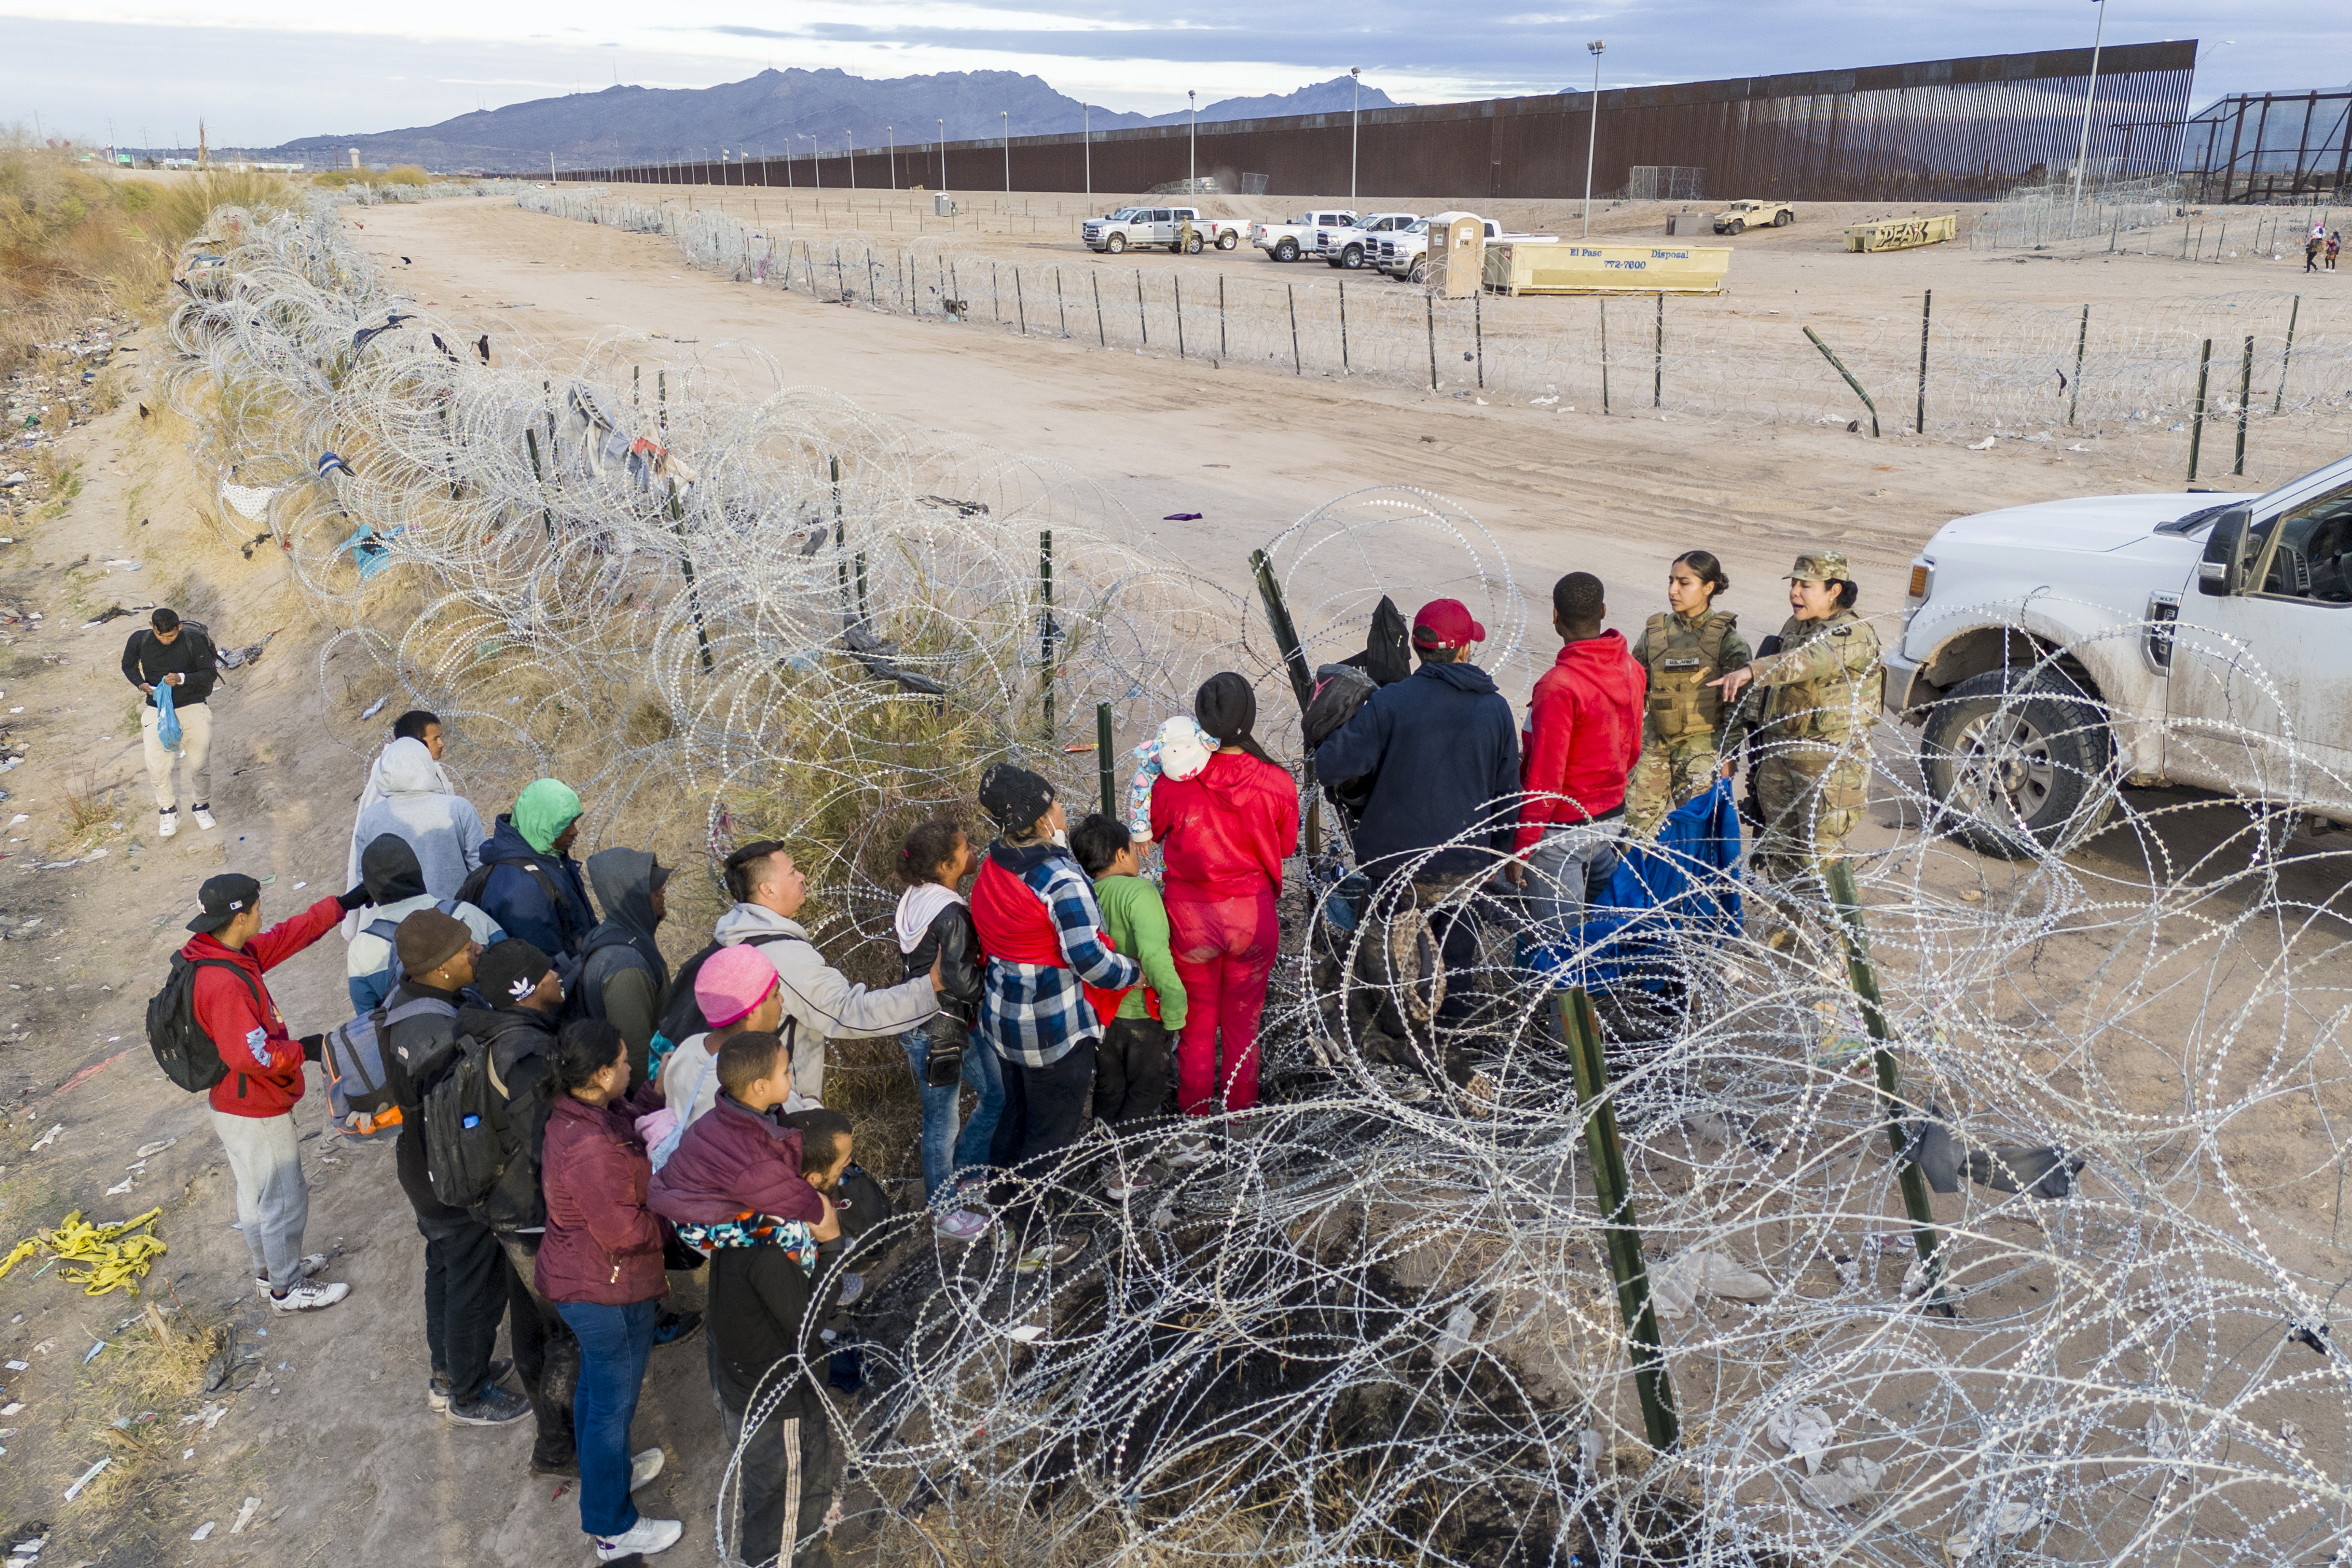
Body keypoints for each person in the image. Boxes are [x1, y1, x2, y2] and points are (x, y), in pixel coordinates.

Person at [968, 763, 1140, 1272]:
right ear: (1042, 819)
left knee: (1015, 1118)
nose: (1062, 810)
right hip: (1052, 1028)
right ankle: (1031, 1241)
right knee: (1050, 1136)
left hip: (1003, 1019)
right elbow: (1089, 960)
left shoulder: (995, 865)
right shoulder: (1059, 879)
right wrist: (1132, 972)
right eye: (1054, 803)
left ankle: (1002, 1218)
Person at [379, 912, 533, 1426]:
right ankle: (468, 1395)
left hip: (419, 1169)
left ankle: (448, 1373)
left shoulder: (403, 1002)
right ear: (443, 967)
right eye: (469, 948)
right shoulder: (441, 1036)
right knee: (476, 1287)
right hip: (449, 1179)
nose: (478, 952)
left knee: (445, 1272)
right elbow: (465, 1122)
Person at [181, 872, 361, 1310]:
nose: (264, 914)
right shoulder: (225, 983)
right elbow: (253, 1056)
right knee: (283, 1197)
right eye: (258, 908)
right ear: (240, 917)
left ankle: (271, 1273)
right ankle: (287, 1289)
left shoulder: (218, 952)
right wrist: (304, 1050)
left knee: (256, 1195)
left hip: (230, 1103)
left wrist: (344, 903)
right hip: (255, 1105)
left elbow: (285, 937)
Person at [538, 1019, 682, 1563]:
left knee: (596, 1395)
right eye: (623, 1063)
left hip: (585, 1278)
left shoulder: (584, 1113)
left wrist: (655, 1092)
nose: (630, 1067)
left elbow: (626, 1123)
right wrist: (677, 1215)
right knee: (611, 1408)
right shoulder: (590, 1147)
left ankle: (609, 1476)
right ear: (600, 1074)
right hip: (605, 1290)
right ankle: (612, 1528)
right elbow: (625, 1232)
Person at [456, 939, 588, 1471]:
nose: (558, 975)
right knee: (565, 1334)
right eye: (548, 970)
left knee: (532, 1326)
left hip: (506, 1206)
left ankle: (555, 1442)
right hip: (531, 1211)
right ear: (526, 989)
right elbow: (547, 1146)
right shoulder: (527, 1056)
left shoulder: (494, 1034)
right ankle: (561, 1449)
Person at [1710, 550, 1884, 951]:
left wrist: (1752, 671)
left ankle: (1843, 947)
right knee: (1782, 848)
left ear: (1834, 591)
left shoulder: (1851, 633)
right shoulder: (1796, 626)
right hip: (1782, 754)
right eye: (1793, 584)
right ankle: (1790, 923)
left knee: (1822, 854)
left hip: (1829, 764)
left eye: (1806, 586)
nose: (1795, 593)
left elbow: (1806, 662)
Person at [706, 1106, 856, 1568]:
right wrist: (832, 1245)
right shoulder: (773, 1247)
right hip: (778, 1402)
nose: (847, 1175)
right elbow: (807, 1322)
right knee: (784, 1519)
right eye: (841, 1169)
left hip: (752, 1383)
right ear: (811, 1180)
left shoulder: (753, 1215)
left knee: (786, 1497)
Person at [1147, 673, 1294, 1123]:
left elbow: (1153, 832)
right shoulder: (1276, 782)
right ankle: (1240, 1121)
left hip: (1190, 920)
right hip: (1251, 917)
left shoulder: (1174, 782)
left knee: (1196, 1027)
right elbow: (1286, 847)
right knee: (1243, 1026)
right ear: (1249, 715)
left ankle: (1194, 1125)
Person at [1312, 598, 1521, 889]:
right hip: (1463, 863)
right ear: (1465, 650)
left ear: (1415, 645)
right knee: (1453, 923)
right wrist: (1496, 855)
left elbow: (1329, 767)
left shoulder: (1390, 701)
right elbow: (1507, 793)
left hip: (1393, 863)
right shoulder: (1495, 709)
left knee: (1392, 923)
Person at [714, 840, 942, 1104]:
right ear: (768, 889)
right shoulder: (781, 957)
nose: (802, 877)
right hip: (777, 1106)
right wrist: (930, 987)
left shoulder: (732, 937)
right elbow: (849, 1012)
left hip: (736, 1097)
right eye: (793, 872)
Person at [1509, 572, 1646, 938]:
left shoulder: (1558, 686)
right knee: (1607, 926)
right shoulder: (1632, 670)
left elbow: (1545, 777)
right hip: (1610, 817)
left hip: (1563, 831)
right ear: (1603, 611)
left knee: (1562, 942)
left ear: (1555, 616)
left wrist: (1522, 849)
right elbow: (1633, 748)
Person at [891, 820, 993, 1241]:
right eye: (966, 847)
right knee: (942, 1121)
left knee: (996, 1094)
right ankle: (944, 1210)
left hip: (934, 1023)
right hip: (942, 1031)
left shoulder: (917, 898)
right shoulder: (950, 913)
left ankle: (967, 1171)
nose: (974, 850)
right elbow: (961, 981)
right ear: (948, 866)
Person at [1071, 814, 1187, 1180]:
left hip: (1103, 1014)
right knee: (1145, 1091)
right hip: (1143, 1014)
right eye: (1134, 851)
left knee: (1110, 1087)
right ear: (1122, 854)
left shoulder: (1086, 894)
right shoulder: (1140, 892)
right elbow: (1154, 955)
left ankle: (1105, 1159)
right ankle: (1128, 1172)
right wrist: (1176, 1007)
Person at [1625, 553, 1753, 839]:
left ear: (1708, 588)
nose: (1673, 590)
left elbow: (1739, 705)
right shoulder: (1655, 634)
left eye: (1684, 583)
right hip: (1656, 740)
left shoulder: (1727, 639)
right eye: (1671, 581)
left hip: (1703, 747)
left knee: (1696, 833)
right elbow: (1635, 688)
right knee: (1635, 827)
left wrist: (1727, 756)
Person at [340, 734, 486, 939]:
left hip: (400, 932)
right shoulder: (457, 807)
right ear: (426, 765)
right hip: (457, 921)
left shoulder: (370, 818)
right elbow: (480, 869)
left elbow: (366, 877)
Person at [344, 834, 502, 1013]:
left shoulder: (360, 949)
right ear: (417, 871)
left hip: (419, 1029)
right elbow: (513, 965)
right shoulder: (466, 913)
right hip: (491, 1023)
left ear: (370, 888)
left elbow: (368, 1019)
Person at [658, 945, 799, 1138]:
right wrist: (812, 1103)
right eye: (775, 994)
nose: (781, 1000)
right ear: (751, 1012)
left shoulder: (688, 1048)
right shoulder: (762, 1077)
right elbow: (799, 1133)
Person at [472, 778, 598, 961]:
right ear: (541, 824)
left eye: (574, 822)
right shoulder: (523, 888)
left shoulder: (549, 857)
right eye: (565, 825)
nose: (574, 831)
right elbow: (543, 965)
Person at [123, 607, 220, 839]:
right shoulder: (139, 641)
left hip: (192, 705)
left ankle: (201, 807)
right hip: (157, 709)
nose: (167, 640)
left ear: (179, 628)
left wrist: (182, 679)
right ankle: (168, 811)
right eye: (162, 636)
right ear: (152, 627)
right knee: (157, 765)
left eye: (172, 635)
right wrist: (141, 684)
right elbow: (128, 666)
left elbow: (210, 673)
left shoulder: (192, 641)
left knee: (199, 764)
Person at [578, 848, 674, 1084]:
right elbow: (636, 1057)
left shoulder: (619, 935)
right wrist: (653, 1101)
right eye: (652, 886)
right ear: (632, 897)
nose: (661, 891)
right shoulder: (627, 966)